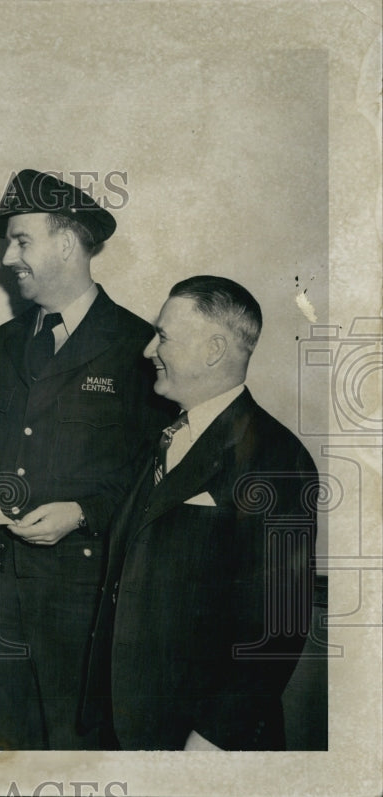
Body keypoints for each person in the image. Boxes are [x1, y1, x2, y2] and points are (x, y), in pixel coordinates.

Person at [0, 169, 172, 749]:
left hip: (81, 592)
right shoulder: (5, 343)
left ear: (66, 242)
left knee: (75, 751)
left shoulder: (139, 347)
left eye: (21, 240)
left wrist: (85, 511)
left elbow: (154, 475)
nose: (9, 257)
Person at [82, 276, 319, 750]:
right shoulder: (165, 437)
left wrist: (212, 740)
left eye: (164, 336)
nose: (149, 349)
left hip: (199, 741)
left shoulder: (277, 458)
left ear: (214, 350)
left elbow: (278, 625)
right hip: (127, 725)